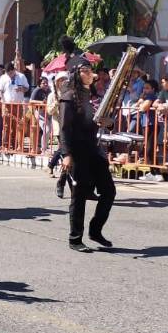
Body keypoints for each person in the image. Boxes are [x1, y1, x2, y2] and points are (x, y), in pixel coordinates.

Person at [57, 39, 115, 251]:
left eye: (91, 70)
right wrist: (66, 154)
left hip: (93, 149)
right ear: (75, 73)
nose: (91, 73)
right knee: (79, 195)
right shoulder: (69, 97)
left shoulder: (91, 96)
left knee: (109, 191)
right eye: (86, 70)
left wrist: (108, 123)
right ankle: (75, 238)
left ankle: (95, 230)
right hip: (77, 151)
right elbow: (64, 128)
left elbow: (102, 120)